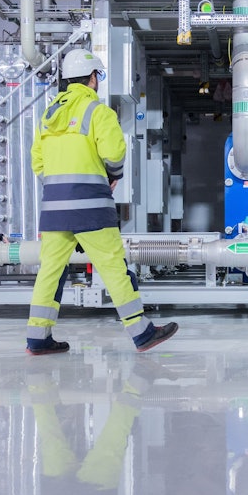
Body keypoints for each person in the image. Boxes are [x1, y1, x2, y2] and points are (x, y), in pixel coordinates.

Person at [26, 48, 177, 354]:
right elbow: (115, 153)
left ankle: (38, 338)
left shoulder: (47, 116)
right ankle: (142, 332)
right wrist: (112, 175)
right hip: (91, 207)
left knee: (50, 271)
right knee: (113, 267)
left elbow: (38, 165)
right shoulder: (97, 112)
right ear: (93, 78)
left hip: (53, 209)